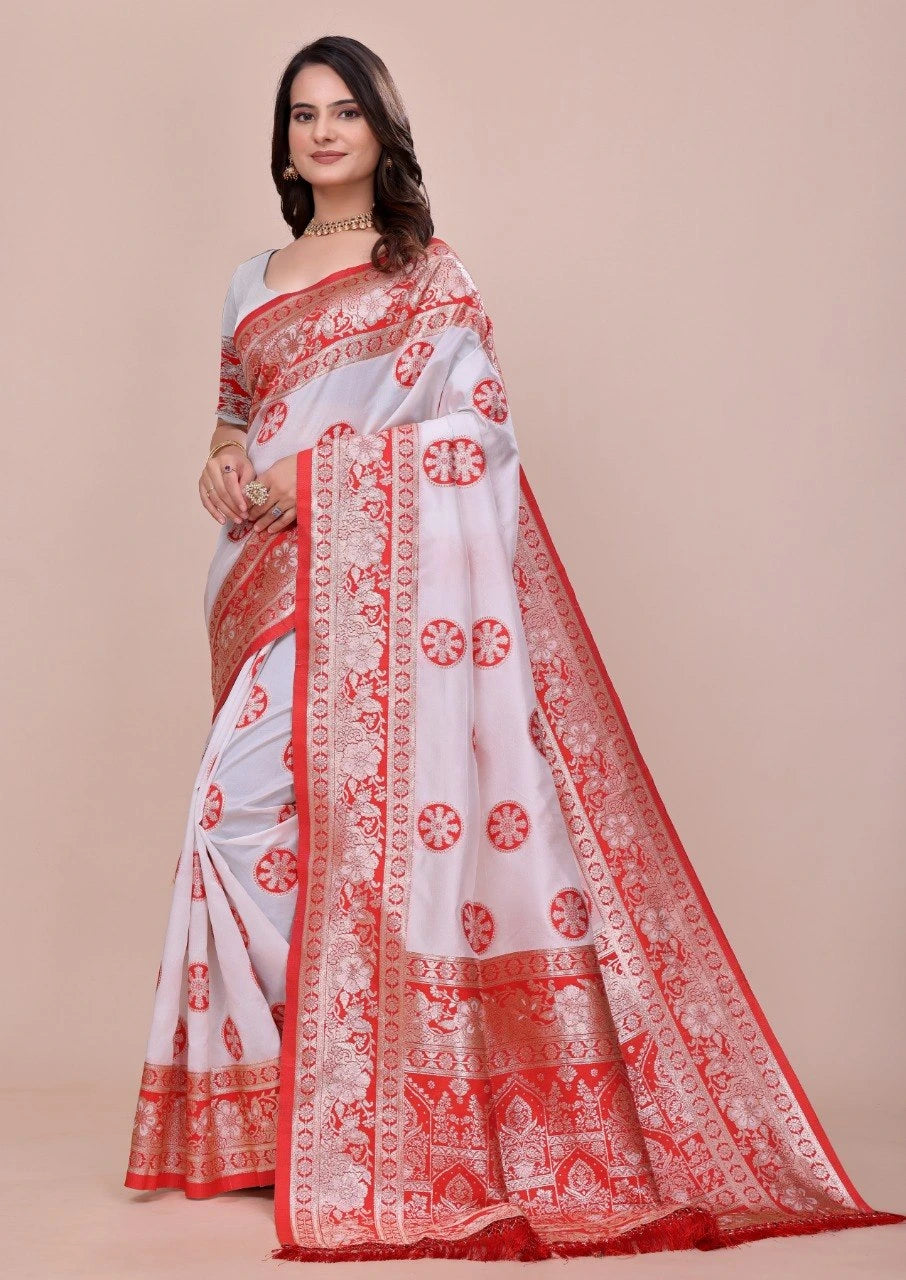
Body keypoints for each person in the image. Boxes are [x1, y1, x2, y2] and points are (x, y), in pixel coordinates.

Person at [123, 34, 905, 1264]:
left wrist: (314, 475)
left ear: (382, 129)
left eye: (345, 111)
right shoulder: (250, 277)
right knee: (236, 823)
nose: (324, 132)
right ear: (284, 141)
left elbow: (477, 437)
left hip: (368, 582)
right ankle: (295, 1102)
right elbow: (227, 423)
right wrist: (225, 468)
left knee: (348, 832)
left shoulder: (427, 275)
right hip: (264, 584)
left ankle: (352, 1100)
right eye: (303, 115)